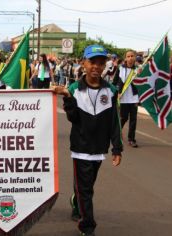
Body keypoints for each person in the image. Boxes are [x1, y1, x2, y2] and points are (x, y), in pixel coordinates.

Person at [52, 45, 123, 236]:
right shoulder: (74, 89)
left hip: (99, 149)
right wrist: (68, 99)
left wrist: (117, 148)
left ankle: (76, 202)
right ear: (83, 63)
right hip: (81, 148)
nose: (96, 67)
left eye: (101, 63)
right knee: (86, 190)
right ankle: (87, 227)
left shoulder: (111, 90)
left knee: (86, 186)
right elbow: (73, 118)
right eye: (92, 62)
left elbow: (114, 122)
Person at [113, 50, 139, 148]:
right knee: (123, 118)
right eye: (128, 56)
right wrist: (115, 93)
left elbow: (143, 84)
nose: (130, 58)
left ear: (135, 57)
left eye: (132, 56)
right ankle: (117, 133)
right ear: (125, 58)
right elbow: (115, 82)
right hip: (123, 98)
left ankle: (131, 139)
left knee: (133, 120)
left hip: (134, 98)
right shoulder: (120, 69)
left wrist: (140, 74)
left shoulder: (138, 69)